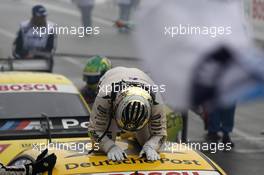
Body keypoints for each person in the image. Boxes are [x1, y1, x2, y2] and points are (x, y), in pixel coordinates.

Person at [88, 67, 167, 161]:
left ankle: (140, 136)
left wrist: (150, 146)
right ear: (115, 107)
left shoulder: (156, 101)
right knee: (99, 148)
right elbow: (94, 130)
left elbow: (160, 134)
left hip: (141, 78)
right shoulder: (105, 95)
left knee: (149, 145)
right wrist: (110, 147)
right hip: (111, 77)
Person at [13, 5, 57, 71]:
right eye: (40, 17)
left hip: (42, 61)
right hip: (24, 59)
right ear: (33, 16)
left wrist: (34, 55)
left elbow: (50, 49)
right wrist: (25, 55)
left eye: (44, 16)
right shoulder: (24, 27)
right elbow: (17, 48)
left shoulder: (50, 28)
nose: (43, 18)